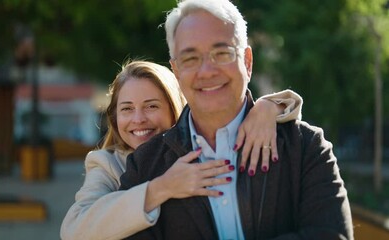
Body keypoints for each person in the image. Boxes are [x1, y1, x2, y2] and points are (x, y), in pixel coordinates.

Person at [119, 0, 353, 239]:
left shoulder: (305, 148)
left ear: (247, 61)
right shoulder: (145, 167)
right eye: (190, 59)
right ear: (176, 71)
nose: (207, 71)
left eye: (222, 53)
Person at [61, 60, 303, 240]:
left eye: (151, 106)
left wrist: (267, 107)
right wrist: (161, 188)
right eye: (127, 109)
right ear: (114, 118)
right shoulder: (107, 164)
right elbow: (74, 230)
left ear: (174, 108)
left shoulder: (202, 147)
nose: (138, 119)